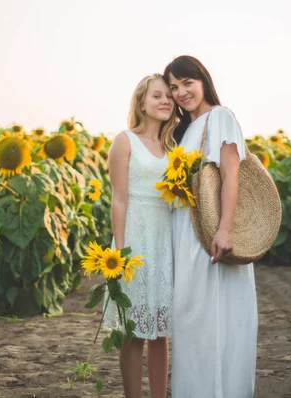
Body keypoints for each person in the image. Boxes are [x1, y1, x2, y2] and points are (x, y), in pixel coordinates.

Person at [163, 55, 258, 398]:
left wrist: (225, 229)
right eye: (173, 87)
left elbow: (231, 174)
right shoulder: (184, 130)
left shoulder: (219, 117)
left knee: (216, 320)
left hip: (211, 236)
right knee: (190, 321)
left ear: (203, 81)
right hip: (187, 235)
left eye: (187, 83)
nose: (181, 92)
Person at [103, 73, 177, 398]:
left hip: (165, 240)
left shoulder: (174, 147)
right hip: (135, 237)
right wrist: (121, 253)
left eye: (168, 97)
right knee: (133, 330)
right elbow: (119, 198)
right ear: (142, 103)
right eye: (157, 96)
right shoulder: (125, 141)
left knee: (160, 331)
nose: (165, 101)